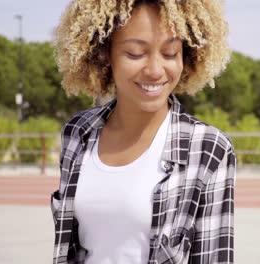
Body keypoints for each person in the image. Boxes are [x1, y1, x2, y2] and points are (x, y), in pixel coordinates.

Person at [50, 0, 236, 263]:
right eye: (135, 54)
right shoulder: (77, 133)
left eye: (170, 53)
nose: (155, 70)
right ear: (103, 55)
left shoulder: (208, 149)